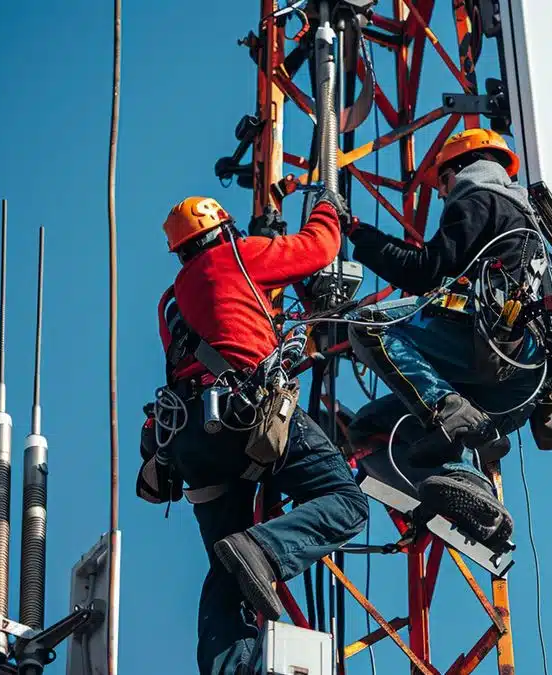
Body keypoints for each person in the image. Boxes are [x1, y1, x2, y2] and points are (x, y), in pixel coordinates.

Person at [143, 193, 369, 675]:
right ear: (223, 232)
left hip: (189, 438)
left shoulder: (172, 302)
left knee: (228, 572)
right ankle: (265, 549)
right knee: (346, 502)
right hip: (247, 413)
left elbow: (226, 319)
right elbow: (319, 247)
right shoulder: (238, 256)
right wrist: (329, 207)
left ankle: (229, 669)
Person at [341, 128, 552, 549]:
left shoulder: (479, 200)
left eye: (442, 184)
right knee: (373, 425)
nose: (442, 196)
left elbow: (424, 269)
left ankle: (449, 413)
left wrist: (358, 234)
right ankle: (470, 488)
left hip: (492, 348)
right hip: (520, 388)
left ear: (460, 168)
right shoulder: (530, 229)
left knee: (369, 325)